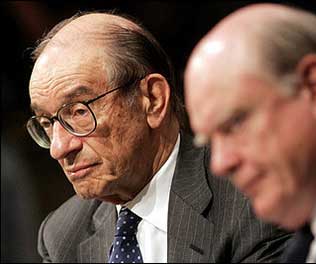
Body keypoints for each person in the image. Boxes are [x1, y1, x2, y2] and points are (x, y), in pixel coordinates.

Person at [26, 11, 291, 263]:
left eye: (79, 112)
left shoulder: (250, 199)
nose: (59, 148)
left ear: (152, 100)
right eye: (48, 123)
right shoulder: (61, 235)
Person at [184, 3, 316, 263]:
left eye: (235, 123)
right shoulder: (303, 247)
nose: (220, 164)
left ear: (315, 88)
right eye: (210, 140)